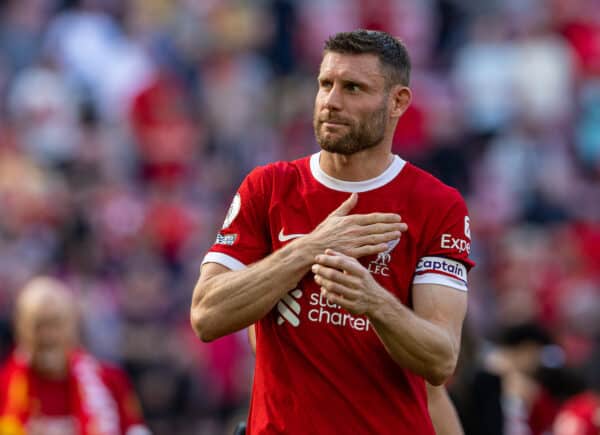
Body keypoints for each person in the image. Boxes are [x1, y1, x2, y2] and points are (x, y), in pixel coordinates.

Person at [191, 29, 474, 434]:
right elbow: (206, 315)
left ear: (398, 102)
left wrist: (374, 301)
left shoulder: (436, 205)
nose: (331, 102)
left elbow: (441, 358)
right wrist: (309, 248)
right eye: (326, 84)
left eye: (353, 88)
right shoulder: (268, 187)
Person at [0, 276, 151, 435]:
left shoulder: (112, 382)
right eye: (37, 325)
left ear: (73, 327)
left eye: (55, 324)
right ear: (20, 330)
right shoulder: (4, 387)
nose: (47, 336)